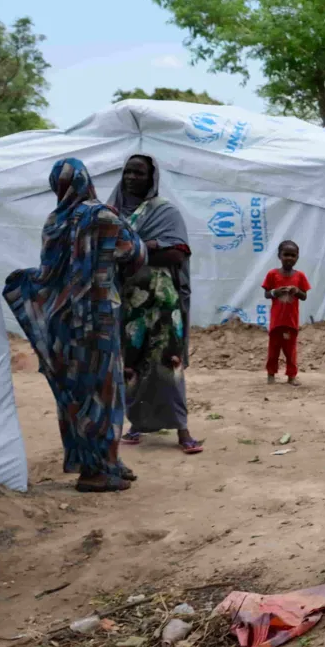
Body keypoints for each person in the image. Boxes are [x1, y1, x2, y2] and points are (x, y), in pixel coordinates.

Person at [5, 158, 147, 492]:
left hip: (64, 321)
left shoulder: (53, 222)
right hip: (97, 318)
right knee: (104, 392)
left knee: (78, 390)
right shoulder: (103, 214)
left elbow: (50, 269)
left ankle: (101, 460)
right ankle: (96, 472)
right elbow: (135, 253)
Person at [111, 154, 202, 454]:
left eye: (139, 172)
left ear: (152, 178)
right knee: (133, 364)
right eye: (128, 171)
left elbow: (177, 254)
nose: (131, 177)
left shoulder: (166, 212)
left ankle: (182, 429)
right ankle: (137, 424)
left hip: (163, 303)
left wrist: (138, 248)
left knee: (168, 364)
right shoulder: (111, 214)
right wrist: (142, 249)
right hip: (130, 304)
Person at [262, 240, 310, 385]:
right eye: (286, 254)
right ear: (279, 256)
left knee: (291, 351)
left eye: (293, 255)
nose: (289, 258)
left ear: (297, 257)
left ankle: (291, 376)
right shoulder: (272, 274)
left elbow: (304, 296)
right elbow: (266, 294)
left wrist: (297, 291)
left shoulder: (300, 276)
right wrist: (275, 292)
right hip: (276, 321)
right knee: (273, 350)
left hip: (291, 321)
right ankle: (271, 374)